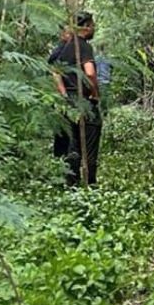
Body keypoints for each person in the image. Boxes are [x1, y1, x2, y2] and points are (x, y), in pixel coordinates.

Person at [51, 11, 101, 186]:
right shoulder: (83, 46)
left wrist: (64, 93)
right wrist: (94, 93)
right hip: (84, 101)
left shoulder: (66, 46)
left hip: (69, 103)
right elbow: (90, 72)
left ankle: (71, 183)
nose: (94, 28)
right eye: (92, 25)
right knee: (90, 143)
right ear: (86, 26)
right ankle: (90, 184)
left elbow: (55, 72)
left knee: (73, 145)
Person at [49, 25, 73, 159]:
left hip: (64, 95)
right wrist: (63, 94)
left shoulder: (66, 49)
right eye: (69, 34)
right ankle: (61, 158)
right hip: (62, 97)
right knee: (63, 130)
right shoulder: (61, 51)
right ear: (63, 35)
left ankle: (63, 158)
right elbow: (55, 73)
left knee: (65, 130)